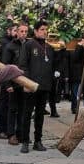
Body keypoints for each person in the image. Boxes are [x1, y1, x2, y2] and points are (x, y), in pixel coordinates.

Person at [15, 21, 55, 153]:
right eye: (42, 29)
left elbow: (52, 65)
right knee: (27, 114)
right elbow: (23, 65)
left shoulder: (49, 48)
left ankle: (38, 141)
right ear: (36, 31)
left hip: (44, 86)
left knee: (40, 115)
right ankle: (25, 141)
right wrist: (26, 83)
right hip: (31, 86)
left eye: (46, 29)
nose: (45, 32)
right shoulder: (29, 45)